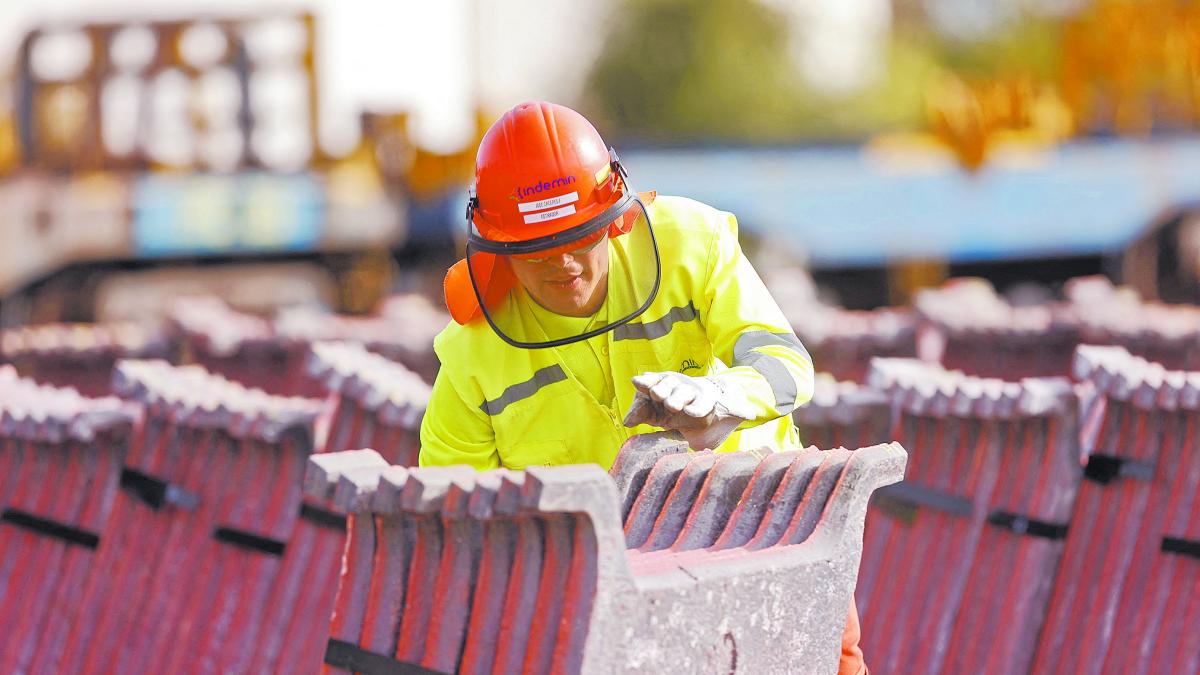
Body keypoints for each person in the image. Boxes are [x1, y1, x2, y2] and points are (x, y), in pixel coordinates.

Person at [420, 101, 866, 675]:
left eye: (580, 237)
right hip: (607, 606)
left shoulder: (692, 243)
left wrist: (725, 400)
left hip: (770, 538)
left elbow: (787, 364)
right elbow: (451, 527)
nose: (565, 264)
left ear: (615, 219)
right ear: (498, 249)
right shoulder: (470, 354)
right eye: (537, 251)